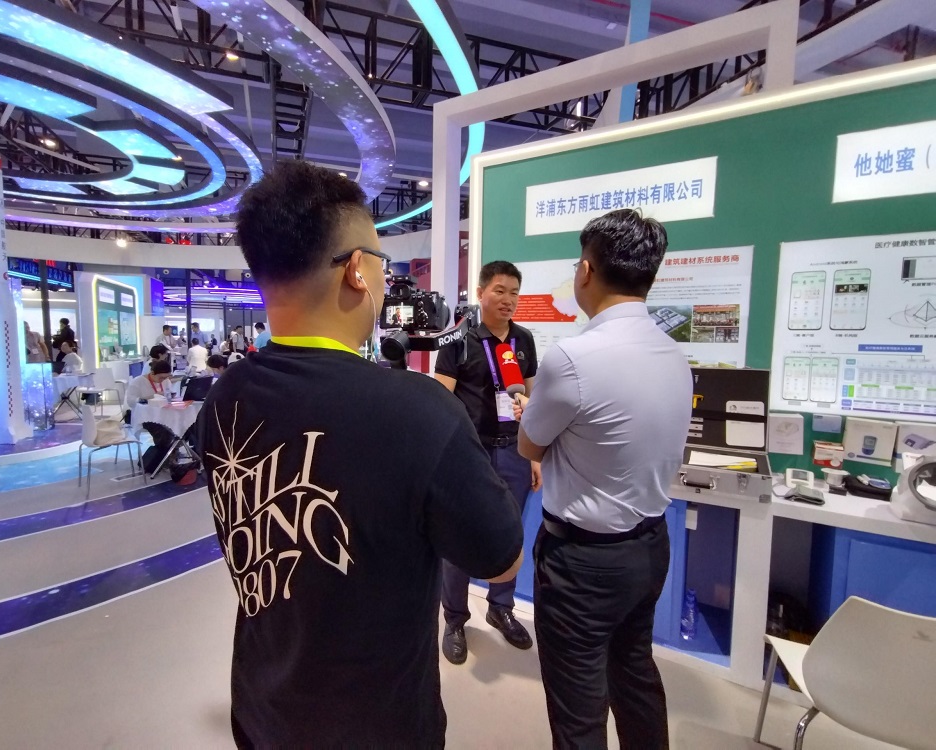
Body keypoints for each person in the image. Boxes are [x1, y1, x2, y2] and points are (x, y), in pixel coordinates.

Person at [197, 159, 524, 748]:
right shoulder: (419, 412)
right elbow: (501, 561)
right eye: (380, 260)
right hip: (379, 726)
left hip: (262, 708)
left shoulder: (224, 397)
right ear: (355, 270)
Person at [513, 209, 693, 749]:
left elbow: (529, 445)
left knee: (578, 707)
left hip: (583, 563)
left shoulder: (572, 357)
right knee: (635, 675)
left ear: (587, 270)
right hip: (650, 546)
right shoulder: (673, 353)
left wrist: (534, 416)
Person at [433, 259, 541, 665]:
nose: (508, 299)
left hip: (514, 451)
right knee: (459, 536)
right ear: (481, 293)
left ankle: (501, 607)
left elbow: (532, 398)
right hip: (470, 454)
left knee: (510, 533)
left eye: (514, 292)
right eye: (500, 290)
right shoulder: (458, 340)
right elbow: (441, 402)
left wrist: (534, 455)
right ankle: (455, 619)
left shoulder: (524, 340)